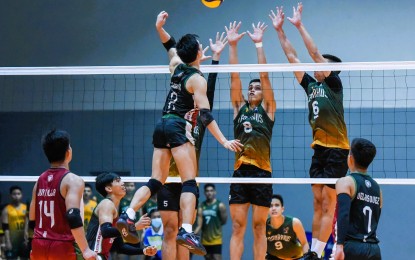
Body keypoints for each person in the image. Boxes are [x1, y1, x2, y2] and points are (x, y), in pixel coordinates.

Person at [116, 10, 243, 256]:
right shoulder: (197, 80)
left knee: (155, 180)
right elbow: (205, 116)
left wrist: (159, 28)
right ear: (197, 52)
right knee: (189, 182)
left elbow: (170, 46)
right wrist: (224, 140)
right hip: (177, 127)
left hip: (161, 123)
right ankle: (187, 230)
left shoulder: (176, 66)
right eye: (201, 46)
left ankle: (128, 214)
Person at [270, 3, 349, 259]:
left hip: (337, 149)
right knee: (317, 203)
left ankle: (316, 252)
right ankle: (314, 253)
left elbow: (314, 53)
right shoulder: (310, 85)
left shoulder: (334, 84)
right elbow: (293, 58)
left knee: (328, 204)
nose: (318, 62)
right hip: (319, 150)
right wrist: (280, 31)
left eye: (323, 62)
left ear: (330, 68)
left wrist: (299, 25)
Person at [156, 19, 228, 260]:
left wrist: (214, 60)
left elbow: (172, 48)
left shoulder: (198, 117)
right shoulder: (181, 109)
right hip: (169, 177)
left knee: (183, 237)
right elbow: (173, 50)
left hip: (188, 179)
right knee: (170, 231)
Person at [225, 20, 276, 260]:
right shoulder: (239, 108)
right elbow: (233, 76)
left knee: (259, 228)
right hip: (240, 172)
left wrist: (259, 44)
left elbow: (264, 76)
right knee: (237, 227)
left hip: (262, 173)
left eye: (256, 87)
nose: (252, 89)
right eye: (250, 87)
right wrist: (233, 46)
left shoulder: (268, 108)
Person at [28, 129, 96, 260]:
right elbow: (73, 216)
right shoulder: (73, 180)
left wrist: (31, 245)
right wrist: (85, 249)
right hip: (62, 246)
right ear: (68, 152)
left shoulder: (39, 181)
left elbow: (32, 219)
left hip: (38, 244)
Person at [86, 172, 157, 260]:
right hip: (94, 255)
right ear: (109, 188)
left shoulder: (115, 212)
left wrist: (143, 251)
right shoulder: (106, 204)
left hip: (101, 256)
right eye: (118, 181)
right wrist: (134, 227)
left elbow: (120, 247)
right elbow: (105, 232)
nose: (123, 183)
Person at [333, 138, 382, 260]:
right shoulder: (378, 189)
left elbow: (343, 215)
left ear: (350, 158)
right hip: (374, 249)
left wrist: (339, 245)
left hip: (352, 247)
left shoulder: (345, 182)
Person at [266, 194, 309, 260]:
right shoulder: (263, 225)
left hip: (296, 258)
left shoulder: (294, 222)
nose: (274, 208)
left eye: (277, 205)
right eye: (270, 206)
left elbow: (304, 243)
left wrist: (306, 258)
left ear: (282, 209)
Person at [194, 184, 227, 260]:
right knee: (208, 258)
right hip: (205, 240)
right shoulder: (201, 206)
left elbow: (224, 221)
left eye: (211, 191)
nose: (209, 193)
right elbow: (199, 225)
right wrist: (193, 234)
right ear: (204, 193)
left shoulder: (220, 205)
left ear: (215, 192)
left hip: (216, 240)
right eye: (207, 191)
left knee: (216, 258)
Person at [1, 185, 29, 259]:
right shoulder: (6, 210)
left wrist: (27, 239)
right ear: (10, 195)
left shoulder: (25, 208)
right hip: (12, 240)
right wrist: (7, 242)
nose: (16, 196)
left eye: (18, 194)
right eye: (14, 194)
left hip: (23, 240)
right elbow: (5, 228)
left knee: (25, 258)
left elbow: (27, 224)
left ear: (21, 195)